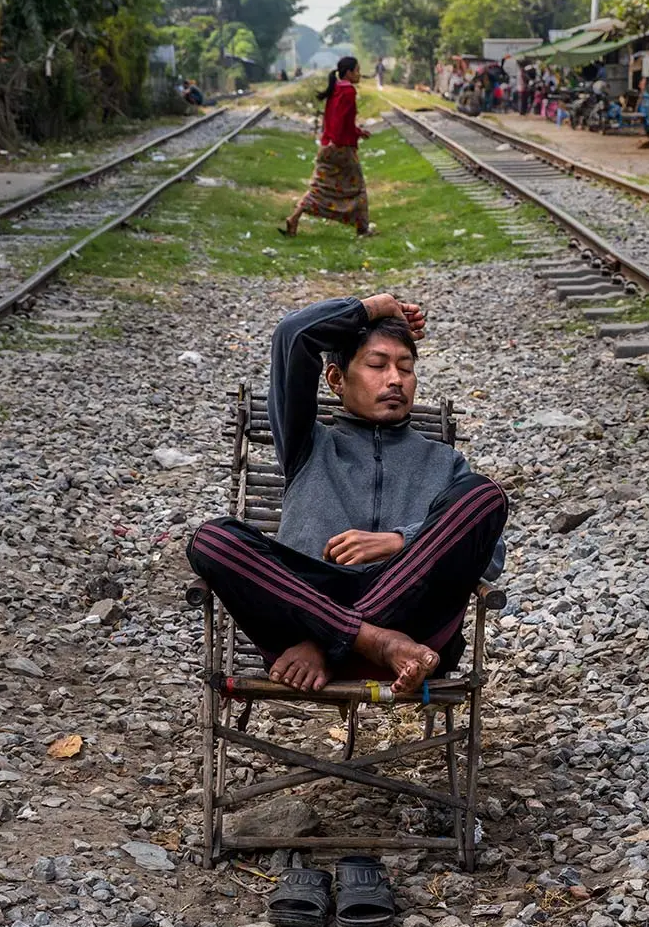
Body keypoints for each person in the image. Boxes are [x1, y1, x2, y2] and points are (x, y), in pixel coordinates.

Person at [188, 295, 509, 695]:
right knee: (212, 539)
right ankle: (371, 640)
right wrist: (378, 305)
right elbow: (294, 334)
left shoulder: (444, 463)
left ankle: (331, 642)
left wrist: (399, 541)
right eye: (377, 365)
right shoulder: (307, 442)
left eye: (406, 369)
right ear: (336, 380)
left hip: (409, 621)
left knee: (485, 495)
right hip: (311, 615)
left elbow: (491, 556)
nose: (395, 379)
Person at [280, 56, 374, 238]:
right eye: (357, 70)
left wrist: (357, 132)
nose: (359, 74)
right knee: (358, 187)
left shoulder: (336, 88)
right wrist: (340, 140)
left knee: (320, 187)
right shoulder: (348, 91)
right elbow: (340, 122)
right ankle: (362, 228)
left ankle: (294, 218)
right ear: (348, 72)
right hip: (341, 148)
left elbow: (337, 119)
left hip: (327, 146)